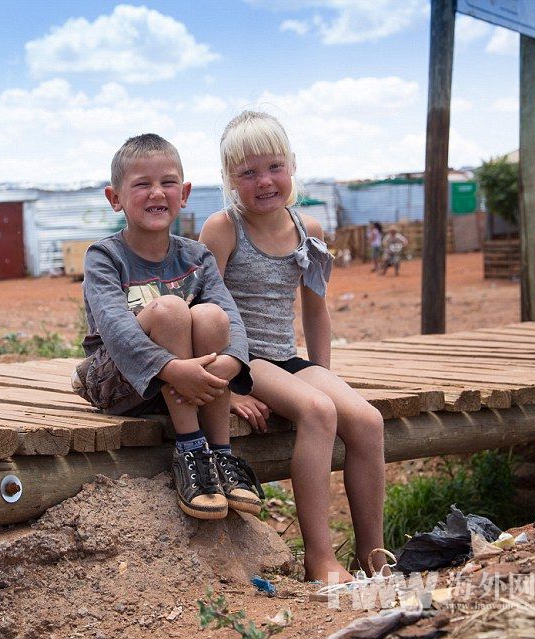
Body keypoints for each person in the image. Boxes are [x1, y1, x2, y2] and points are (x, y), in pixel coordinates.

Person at [198, 111, 386, 583]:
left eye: (274, 167)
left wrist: (324, 374)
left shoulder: (311, 231)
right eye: (248, 172)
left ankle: (373, 555)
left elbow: (316, 311)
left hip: (287, 357)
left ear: (292, 166)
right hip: (241, 358)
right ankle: (319, 559)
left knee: (366, 420)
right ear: (229, 179)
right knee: (319, 413)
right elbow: (203, 314)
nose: (264, 181)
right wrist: (231, 390)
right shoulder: (222, 229)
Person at [72, 133, 264, 521]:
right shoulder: (105, 257)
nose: (157, 193)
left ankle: (221, 455)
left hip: (185, 382)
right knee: (171, 310)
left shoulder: (197, 256)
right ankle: (191, 448)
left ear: (185, 193)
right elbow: (116, 331)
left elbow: (232, 318)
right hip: (120, 379)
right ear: (115, 198)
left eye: (167, 182)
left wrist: (232, 363)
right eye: (142, 184)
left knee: (211, 316)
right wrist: (173, 369)